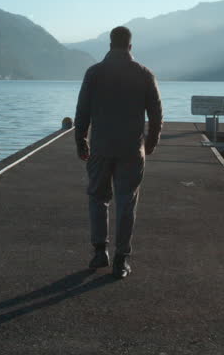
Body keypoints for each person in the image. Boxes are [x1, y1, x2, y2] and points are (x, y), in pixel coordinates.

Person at [74, 25, 163, 279]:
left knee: (97, 198)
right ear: (130, 46)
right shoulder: (144, 74)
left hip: (100, 147)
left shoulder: (94, 73)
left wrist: (81, 140)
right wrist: (151, 143)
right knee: (126, 202)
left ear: (110, 44)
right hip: (131, 150)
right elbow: (156, 113)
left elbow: (82, 111)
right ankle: (121, 259)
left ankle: (99, 251)